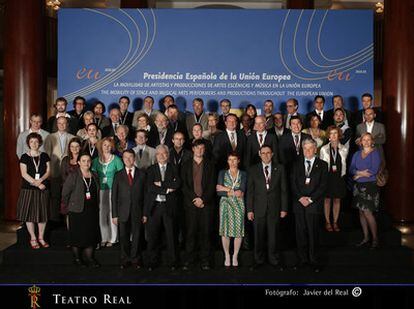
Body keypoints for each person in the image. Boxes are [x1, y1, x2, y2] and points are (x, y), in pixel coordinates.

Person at [247, 145, 288, 270]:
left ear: (272, 154)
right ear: (259, 154)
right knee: (258, 236)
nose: (266, 155)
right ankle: (258, 260)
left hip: (275, 209)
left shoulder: (280, 169)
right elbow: (250, 192)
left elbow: (284, 190)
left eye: (268, 153)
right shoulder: (253, 169)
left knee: (273, 236)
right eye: (263, 153)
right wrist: (249, 210)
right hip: (258, 208)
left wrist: (284, 208)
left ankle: (274, 260)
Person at [290, 138, 328, 272]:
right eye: (305, 148)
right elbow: (293, 184)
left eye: (310, 148)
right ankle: (302, 260)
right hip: (299, 204)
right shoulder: (295, 164)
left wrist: (310, 199)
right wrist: (301, 198)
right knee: (300, 233)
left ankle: (314, 260)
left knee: (313, 234)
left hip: (313, 204)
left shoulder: (322, 165)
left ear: (315, 149)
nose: (307, 151)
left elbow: (323, 186)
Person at [144, 145, 181, 271]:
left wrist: (161, 185)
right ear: (156, 156)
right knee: (153, 236)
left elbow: (177, 183)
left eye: (164, 153)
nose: (161, 156)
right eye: (159, 154)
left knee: (171, 236)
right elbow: (150, 187)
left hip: (169, 206)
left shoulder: (173, 168)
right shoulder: (151, 169)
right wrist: (167, 189)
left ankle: (173, 262)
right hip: (155, 207)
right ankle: (152, 262)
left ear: (168, 155)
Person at [181, 140, 216, 271]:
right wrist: (194, 199)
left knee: (205, 234)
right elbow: (184, 185)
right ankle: (189, 260)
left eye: (202, 148)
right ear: (193, 149)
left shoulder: (211, 165)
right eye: (198, 148)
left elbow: (212, 185)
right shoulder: (185, 165)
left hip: (206, 205)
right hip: (190, 205)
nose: (200, 150)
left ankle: (205, 261)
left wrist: (203, 200)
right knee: (190, 233)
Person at [62, 153, 101, 267]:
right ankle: (77, 259)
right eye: (83, 161)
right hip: (77, 210)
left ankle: (90, 258)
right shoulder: (73, 175)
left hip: (92, 210)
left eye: (88, 161)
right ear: (78, 162)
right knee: (77, 235)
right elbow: (65, 194)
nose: (86, 163)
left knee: (90, 234)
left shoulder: (94, 174)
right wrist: (71, 205)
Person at [111, 149, 146, 269]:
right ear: (123, 159)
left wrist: (145, 213)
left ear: (134, 158)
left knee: (137, 236)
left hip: (137, 211)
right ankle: (125, 259)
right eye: (125, 157)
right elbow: (114, 196)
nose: (128, 159)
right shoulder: (118, 175)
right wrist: (114, 214)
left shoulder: (142, 174)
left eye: (130, 157)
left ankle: (136, 259)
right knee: (123, 236)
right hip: (122, 211)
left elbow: (145, 195)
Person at [17, 132, 50, 249]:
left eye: (36, 141)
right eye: (31, 142)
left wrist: (40, 180)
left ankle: (41, 237)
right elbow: (24, 174)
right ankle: (33, 237)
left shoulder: (45, 156)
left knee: (43, 214)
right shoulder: (24, 157)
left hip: (43, 188)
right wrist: (37, 184)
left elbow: (48, 171)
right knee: (29, 214)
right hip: (28, 189)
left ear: (39, 143)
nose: (34, 144)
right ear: (28, 143)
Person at [349, 133, 381, 249]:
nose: (366, 142)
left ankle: (375, 239)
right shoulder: (357, 154)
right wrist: (360, 173)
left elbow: (373, 170)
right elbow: (351, 169)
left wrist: (358, 174)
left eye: (368, 140)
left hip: (370, 186)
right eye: (364, 140)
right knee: (361, 212)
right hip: (358, 186)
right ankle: (366, 238)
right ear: (361, 142)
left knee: (367, 212)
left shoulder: (375, 153)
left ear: (372, 141)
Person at [216, 152, 247, 268]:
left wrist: (226, 188)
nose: (232, 162)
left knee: (238, 230)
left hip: (239, 204)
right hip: (225, 204)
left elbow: (241, 192)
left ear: (238, 161)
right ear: (227, 161)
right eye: (230, 160)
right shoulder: (222, 173)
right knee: (225, 230)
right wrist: (233, 191)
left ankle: (235, 255)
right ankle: (227, 255)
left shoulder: (243, 174)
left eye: (234, 159)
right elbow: (219, 192)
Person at [92, 137, 124, 248]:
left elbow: (122, 177)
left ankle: (113, 238)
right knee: (101, 215)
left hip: (113, 191)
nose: (106, 147)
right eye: (104, 145)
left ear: (112, 147)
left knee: (112, 214)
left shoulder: (117, 160)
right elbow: (93, 176)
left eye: (109, 145)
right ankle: (104, 238)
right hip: (100, 190)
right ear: (101, 146)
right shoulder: (96, 161)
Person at [44, 116, 75, 221]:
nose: (62, 125)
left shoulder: (72, 137)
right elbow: (47, 155)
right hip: (55, 170)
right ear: (57, 125)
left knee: (68, 196)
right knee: (55, 197)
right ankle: (55, 220)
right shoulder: (50, 137)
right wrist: (48, 172)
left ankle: (68, 219)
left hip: (68, 171)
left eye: (64, 123)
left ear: (67, 124)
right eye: (60, 123)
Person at [320, 126, 349, 232]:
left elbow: (344, 164)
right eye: (331, 133)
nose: (333, 135)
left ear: (339, 135)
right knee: (327, 200)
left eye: (335, 133)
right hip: (328, 178)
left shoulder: (344, 148)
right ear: (328, 136)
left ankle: (335, 222)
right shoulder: (323, 149)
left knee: (337, 200)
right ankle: (327, 222)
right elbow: (322, 166)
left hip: (339, 177)